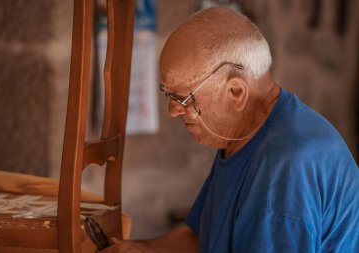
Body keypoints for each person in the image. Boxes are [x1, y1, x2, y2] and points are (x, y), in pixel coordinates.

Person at [101, 7, 359, 253]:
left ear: (236, 92)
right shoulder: (245, 135)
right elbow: (201, 237)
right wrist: (145, 248)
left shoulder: (285, 164)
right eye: (168, 94)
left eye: (184, 99)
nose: (173, 111)